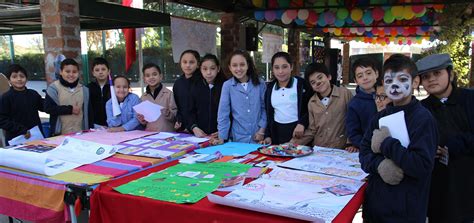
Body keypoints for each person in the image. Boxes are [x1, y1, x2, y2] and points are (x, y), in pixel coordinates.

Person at [359, 54, 438, 222]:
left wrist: (387, 144)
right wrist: (379, 165)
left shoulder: (423, 119)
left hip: (405, 212)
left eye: (402, 79)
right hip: (375, 207)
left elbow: (422, 165)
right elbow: (364, 154)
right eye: (388, 81)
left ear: (415, 82)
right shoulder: (379, 117)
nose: (394, 86)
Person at [416, 53, 474, 223]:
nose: (431, 79)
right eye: (426, 76)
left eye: (437, 73)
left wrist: (452, 146)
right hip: (438, 186)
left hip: (467, 179)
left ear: (450, 74)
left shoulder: (470, 99)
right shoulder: (421, 109)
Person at [290, 63, 352, 149]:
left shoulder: (345, 94)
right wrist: (291, 144)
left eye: (320, 77)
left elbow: (353, 120)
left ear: (329, 77)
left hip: (341, 148)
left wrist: (351, 143)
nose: (318, 82)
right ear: (311, 87)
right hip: (320, 149)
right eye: (313, 82)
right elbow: (312, 130)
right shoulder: (312, 103)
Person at [262, 52, 312, 145]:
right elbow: (269, 114)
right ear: (272, 69)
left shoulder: (302, 84)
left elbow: (311, 108)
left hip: (299, 134)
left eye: (284, 67)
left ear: (291, 67)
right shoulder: (270, 88)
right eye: (276, 67)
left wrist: (302, 123)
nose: (280, 71)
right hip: (277, 135)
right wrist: (268, 135)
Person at [217, 50, 266, 143]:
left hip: (259, 138)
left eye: (242, 64)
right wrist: (221, 138)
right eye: (234, 65)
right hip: (238, 139)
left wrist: (262, 130)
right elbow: (223, 113)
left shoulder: (260, 83)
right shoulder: (227, 86)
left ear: (248, 65)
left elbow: (265, 109)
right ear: (230, 67)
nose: (238, 68)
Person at [44, 58, 93, 135]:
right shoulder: (53, 89)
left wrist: (90, 131)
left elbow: (89, 114)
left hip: (81, 134)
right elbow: (48, 108)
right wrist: (70, 109)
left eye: (74, 72)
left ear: (78, 73)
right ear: (61, 72)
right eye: (67, 71)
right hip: (60, 134)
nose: (71, 74)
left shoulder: (85, 90)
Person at [0, 64, 44, 144]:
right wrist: (20, 130)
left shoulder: (33, 94)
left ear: (26, 79)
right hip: (15, 138)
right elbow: (2, 120)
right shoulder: (6, 97)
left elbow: (45, 107)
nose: (19, 79)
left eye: (22, 76)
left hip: (35, 136)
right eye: (14, 77)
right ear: (9, 80)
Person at [187, 54, 227, 139]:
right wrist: (194, 127)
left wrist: (223, 130)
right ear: (200, 69)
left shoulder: (225, 87)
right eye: (204, 69)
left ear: (218, 69)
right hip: (199, 136)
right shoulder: (195, 87)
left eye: (212, 68)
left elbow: (231, 113)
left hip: (221, 136)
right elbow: (190, 111)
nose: (208, 72)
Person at [345, 57, 379, 152]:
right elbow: (353, 132)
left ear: (376, 74)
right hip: (368, 149)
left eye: (368, 73)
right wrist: (367, 146)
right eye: (360, 76)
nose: (365, 78)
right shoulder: (354, 104)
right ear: (356, 81)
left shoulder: (388, 97)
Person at [137, 63, 177, 132]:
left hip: (167, 133)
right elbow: (144, 121)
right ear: (144, 79)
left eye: (154, 74)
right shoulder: (143, 97)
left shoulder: (168, 94)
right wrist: (142, 120)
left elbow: (175, 116)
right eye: (147, 75)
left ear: (161, 76)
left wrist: (166, 112)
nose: (151, 77)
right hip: (149, 133)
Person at [173, 49, 200, 132]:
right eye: (184, 62)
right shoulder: (178, 83)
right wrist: (178, 120)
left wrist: (193, 126)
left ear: (198, 64)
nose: (188, 65)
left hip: (200, 128)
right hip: (183, 128)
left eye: (191, 62)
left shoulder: (202, 82)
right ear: (180, 64)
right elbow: (178, 107)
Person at [87, 57, 111, 127]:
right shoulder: (88, 88)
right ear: (93, 73)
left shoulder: (114, 87)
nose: (100, 72)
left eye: (103, 69)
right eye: (97, 70)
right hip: (95, 124)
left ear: (108, 71)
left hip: (112, 123)